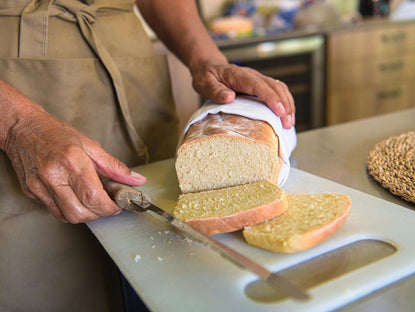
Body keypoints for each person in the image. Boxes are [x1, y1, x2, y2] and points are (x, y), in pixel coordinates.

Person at [0, 0, 295, 311]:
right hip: (20, 88)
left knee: (169, 282)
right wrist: (17, 124)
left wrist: (205, 58)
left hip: (133, 72)